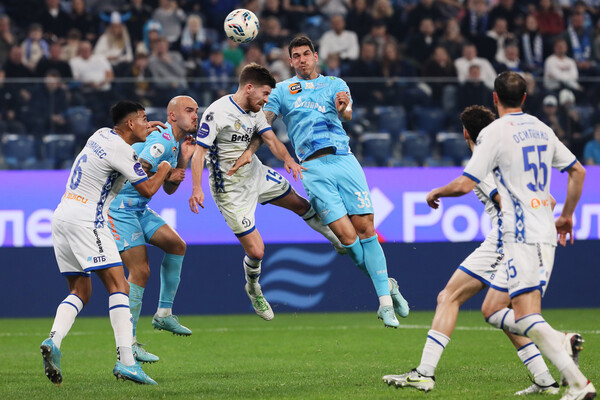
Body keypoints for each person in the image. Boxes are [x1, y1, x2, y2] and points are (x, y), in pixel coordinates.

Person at [414, 71, 594, 399]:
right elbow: (577, 172)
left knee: (518, 313)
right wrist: (566, 216)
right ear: (524, 97)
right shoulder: (541, 128)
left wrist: (436, 192)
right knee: (495, 310)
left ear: (495, 98)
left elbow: (468, 184)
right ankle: (553, 370)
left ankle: (574, 371)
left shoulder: (494, 137)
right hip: (530, 234)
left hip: (520, 236)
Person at [254, 35, 409, 327]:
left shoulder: (335, 84)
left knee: (366, 229)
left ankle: (385, 304)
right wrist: (247, 147)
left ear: (316, 56)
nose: (302, 60)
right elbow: (263, 124)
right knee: (347, 239)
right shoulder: (282, 90)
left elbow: (347, 113)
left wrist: (343, 108)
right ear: (290, 61)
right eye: (296, 56)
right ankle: (387, 285)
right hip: (312, 168)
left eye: (306, 54)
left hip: (343, 160)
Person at [188, 63, 346, 321]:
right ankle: (253, 288)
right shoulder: (217, 112)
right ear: (249, 88)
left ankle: (337, 239)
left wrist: (288, 159)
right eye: (264, 94)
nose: (266, 100)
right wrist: (196, 188)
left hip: (256, 174)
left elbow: (271, 140)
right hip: (230, 190)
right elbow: (199, 153)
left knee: (301, 204)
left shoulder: (256, 111)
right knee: (257, 252)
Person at [40, 100, 172, 386]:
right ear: (130, 123)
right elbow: (147, 189)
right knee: (119, 286)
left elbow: (121, 151)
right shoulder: (122, 151)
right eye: (143, 118)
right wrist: (163, 168)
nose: (148, 122)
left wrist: (142, 130)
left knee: (80, 290)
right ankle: (127, 362)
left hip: (61, 216)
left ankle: (53, 340)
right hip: (88, 219)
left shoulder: (100, 134)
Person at [108, 96, 198, 363]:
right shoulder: (162, 140)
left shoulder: (176, 143)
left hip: (138, 208)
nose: (195, 115)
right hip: (120, 208)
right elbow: (139, 172)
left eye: (196, 111)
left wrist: (183, 161)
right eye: (189, 111)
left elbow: (169, 189)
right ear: (172, 116)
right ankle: (130, 343)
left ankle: (163, 315)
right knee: (140, 271)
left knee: (177, 245)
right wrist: (168, 172)